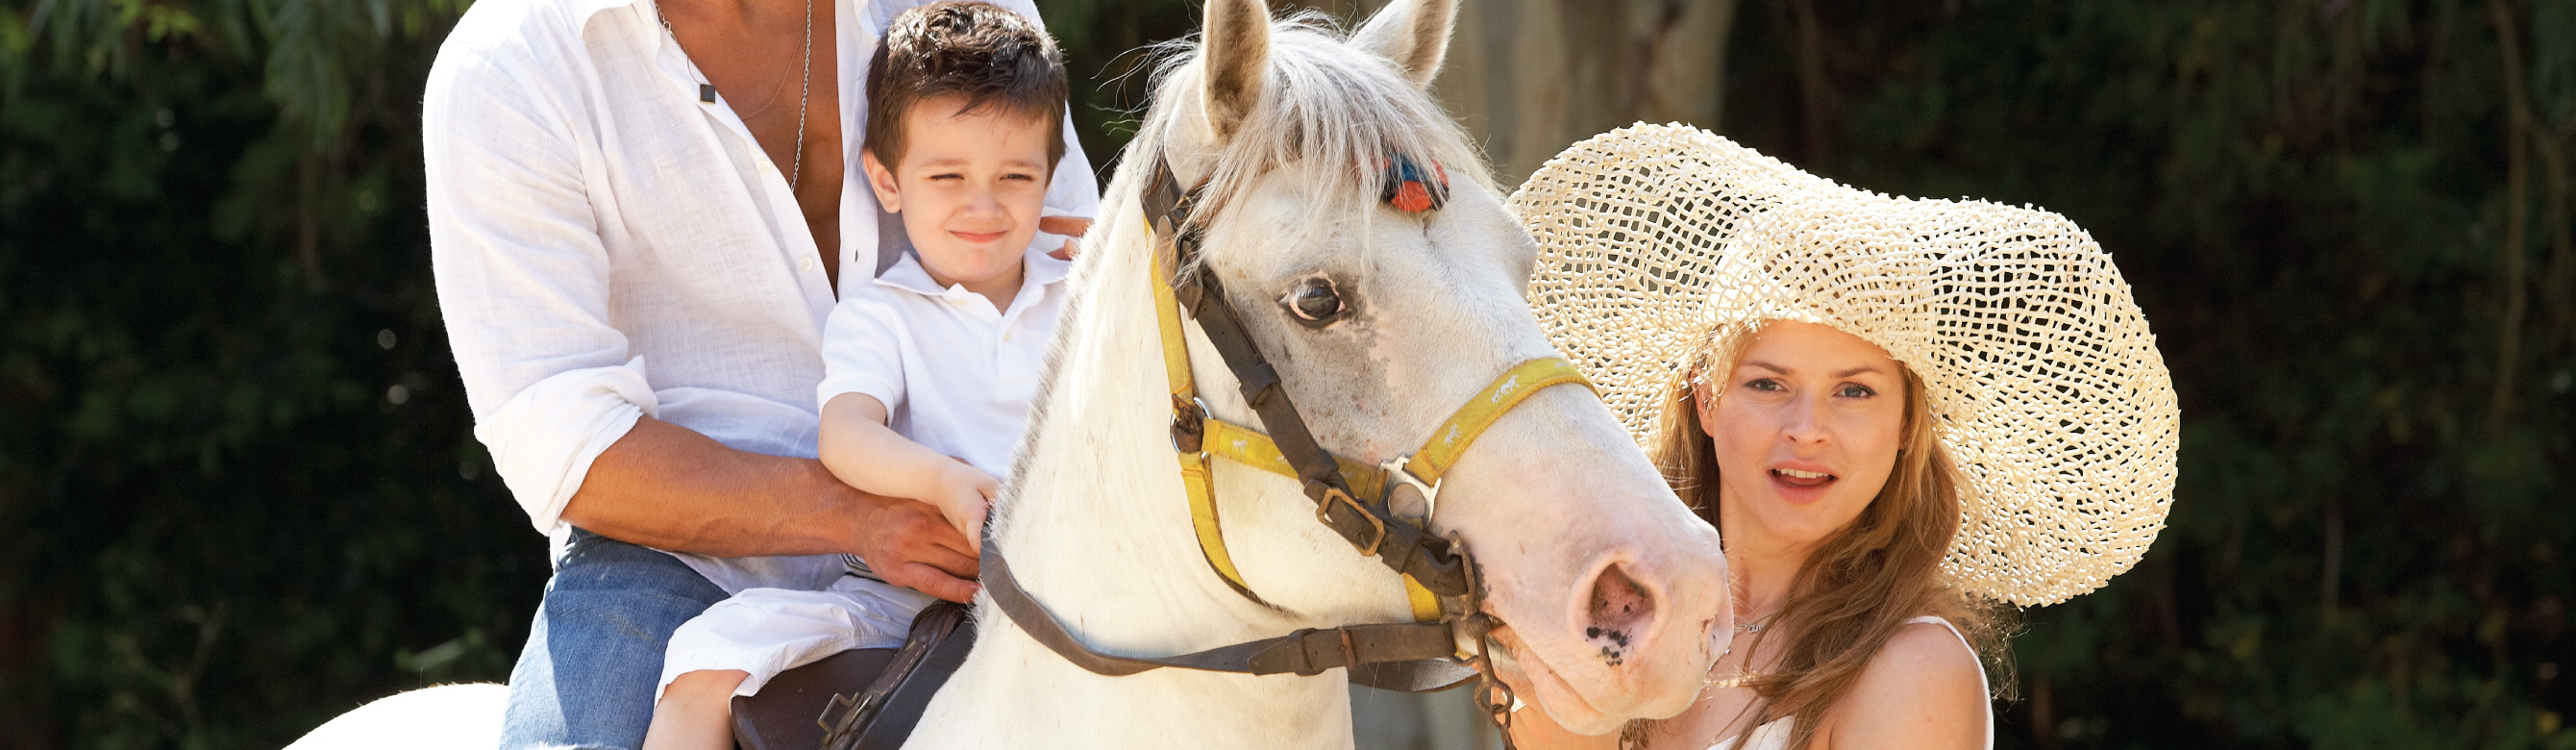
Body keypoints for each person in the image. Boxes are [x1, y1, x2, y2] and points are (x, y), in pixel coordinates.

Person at [419, 0, 1097, 742]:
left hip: (993, 537)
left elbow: (1077, 294)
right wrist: (863, 515)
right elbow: (565, 444)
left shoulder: (972, 15)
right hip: (678, 557)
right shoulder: (513, 62)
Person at [1501, 124, 2182, 750]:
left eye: (1855, 392)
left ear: (1907, 426)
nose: (1807, 431)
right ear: (1707, 399)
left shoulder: (1913, 667)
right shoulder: (1613, 631)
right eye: (1768, 385)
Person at [635, 5, 1073, 747]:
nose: (983, 205)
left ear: (1050, 176)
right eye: (947, 175)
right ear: (888, 180)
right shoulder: (884, 313)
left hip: (1075, 581)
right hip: (908, 591)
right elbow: (846, 434)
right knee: (706, 661)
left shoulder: (1081, 295)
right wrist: (940, 482)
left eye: (1015, 176)